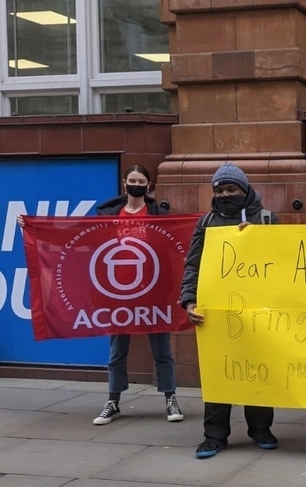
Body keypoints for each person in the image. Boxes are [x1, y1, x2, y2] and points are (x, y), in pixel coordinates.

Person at [180, 162, 280, 459]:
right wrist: (188, 301)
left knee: (258, 371)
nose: (225, 194)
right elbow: (193, 264)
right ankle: (214, 436)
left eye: (231, 188)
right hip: (216, 312)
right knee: (218, 372)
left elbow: (282, 264)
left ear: (244, 189)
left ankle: (260, 429)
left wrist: (256, 240)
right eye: (220, 189)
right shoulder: (207, 222)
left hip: (256, 312)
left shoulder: (266, 219)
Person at [91, 165, 183, 425]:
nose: (136, 184)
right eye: (132, 180)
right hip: (118, 292)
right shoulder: (108, 214)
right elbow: (82, 240)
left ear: (149, 185)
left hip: (153, 290)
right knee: (117, 350)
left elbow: (176, 243)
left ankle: (170, 397)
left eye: (141, 181)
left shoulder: (159, 214)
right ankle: (113, 401)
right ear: (124, 183)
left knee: (161, 349)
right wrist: (30, 226)